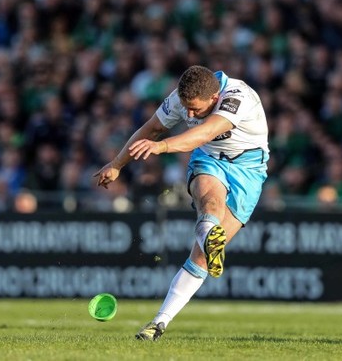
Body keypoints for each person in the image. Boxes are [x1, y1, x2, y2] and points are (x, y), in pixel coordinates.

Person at [93, 65, 269, 340]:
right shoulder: (181, 97)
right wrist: (117, 164)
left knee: (200, 256)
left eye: (195, 110)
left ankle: (208, 238)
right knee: (210, 203)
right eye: (186, 108)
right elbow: (152, 128)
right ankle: (158, 325)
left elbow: (203, 134)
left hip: (249, 172)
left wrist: (162, 147)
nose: (188, 114)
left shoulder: (238, 97)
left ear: (214, 99)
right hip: (209, 160)